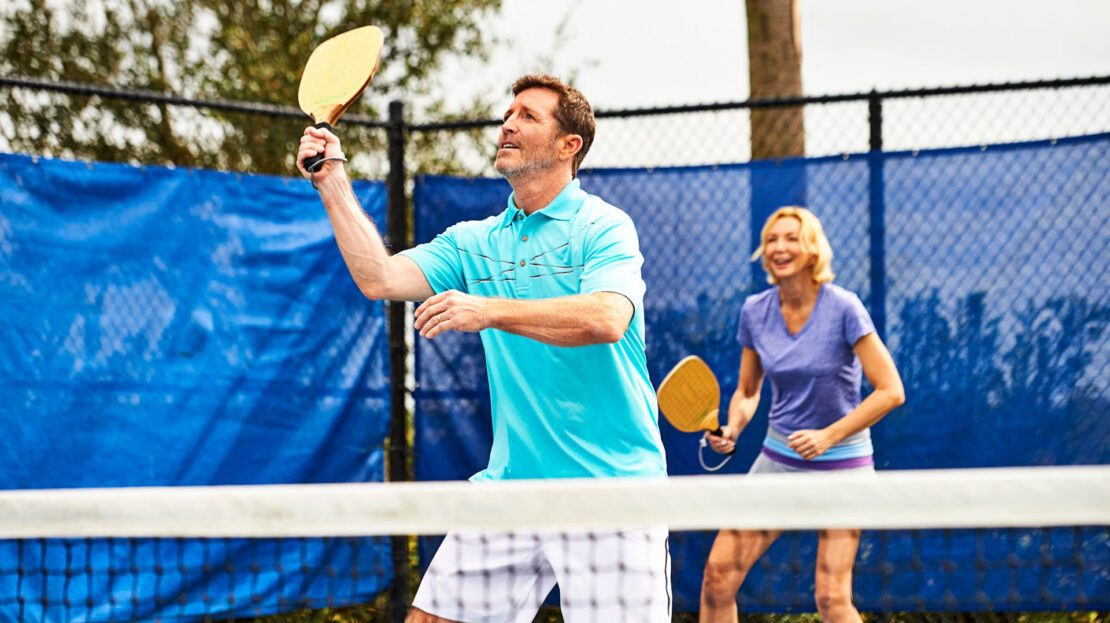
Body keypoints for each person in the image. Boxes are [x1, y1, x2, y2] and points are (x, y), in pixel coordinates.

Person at [297, 74, 670, 623]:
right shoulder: (475, 241)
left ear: (569, 145)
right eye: (508, 114)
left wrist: (490, 310)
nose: (508, 124)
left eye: (528, 116)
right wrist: (332, 181)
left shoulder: (603, 226)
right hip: (511, 489)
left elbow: (607, 318)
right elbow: (380, 277)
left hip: (611, 493)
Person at [698, 207, 905, 623]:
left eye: (791, 238)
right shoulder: (755, 311)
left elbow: (890, 391)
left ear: (812, 249)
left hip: (844, 465)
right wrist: (733, 427)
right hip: (779, 461)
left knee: (831, 598)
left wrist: (829, 436)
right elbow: (748, 390)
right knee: (717, 580)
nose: (780, 247)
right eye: (772, 240)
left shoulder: (844, 307)